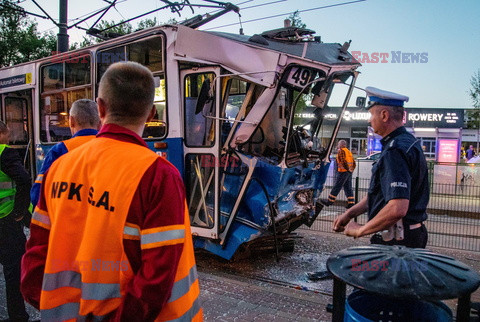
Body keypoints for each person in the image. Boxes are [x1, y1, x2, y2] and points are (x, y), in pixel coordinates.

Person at [21, 62, 203, 321]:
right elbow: (157, 276)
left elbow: (37, 248)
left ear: (101, 107)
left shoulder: (59, 166)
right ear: (151, 114)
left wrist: (43, 300)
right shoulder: (158, 175)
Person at [333, 86, 429, 248]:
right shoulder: (406, 142)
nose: (369, 120)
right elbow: (381, 194)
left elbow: (397, 208)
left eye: (371, 114)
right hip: (406, 236)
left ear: (384, 115)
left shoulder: (395, 150)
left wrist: (360, 230)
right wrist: (350, 213)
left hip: (397, 241)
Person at [30, 99, 100, 207]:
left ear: (71, 121)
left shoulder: (60, 150)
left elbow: (37, 195)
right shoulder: (112, 148)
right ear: (100, 122)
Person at [0, 122, 30, 321]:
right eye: (7, 135)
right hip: (6, 220)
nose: (9, 139)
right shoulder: (6, 153)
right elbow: (24, 180)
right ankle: (18, 316)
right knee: (13, 271)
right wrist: (20, 211)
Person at [321, 139, 356, 209]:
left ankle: (330, 201)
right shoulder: (348, 151)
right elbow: (353, 162)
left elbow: (343, 161)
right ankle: (351, 203)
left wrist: (347, 169)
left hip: (343, 172)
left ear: (342, 145)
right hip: (348, 172)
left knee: (337, 186)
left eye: (339, 144)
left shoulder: (341, 151)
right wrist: (351, 170)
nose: (337, 145)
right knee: (348, 187)